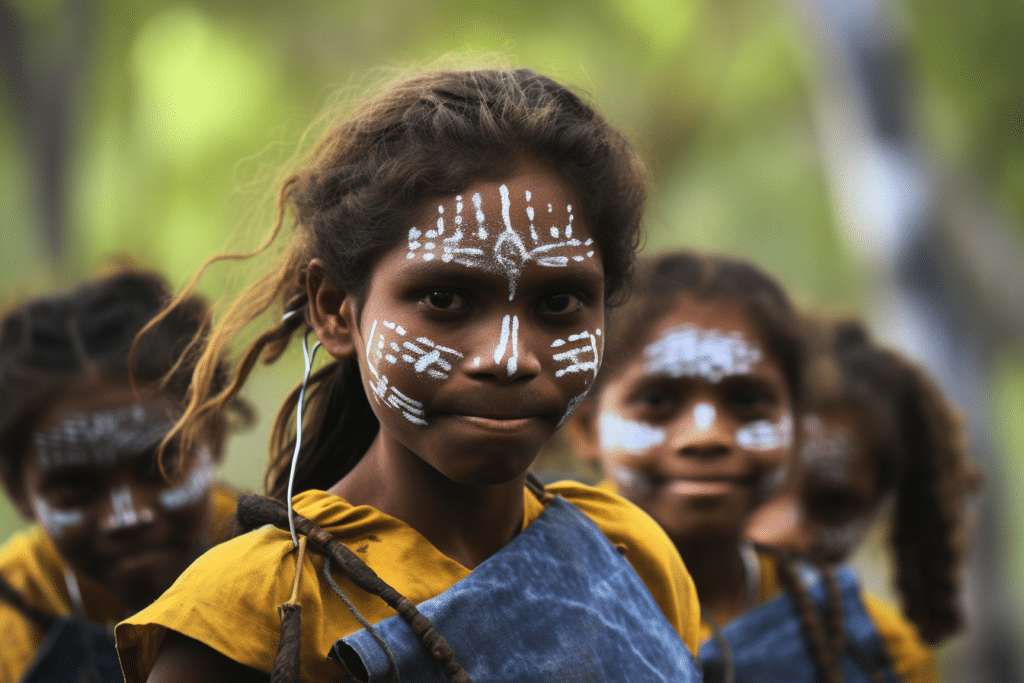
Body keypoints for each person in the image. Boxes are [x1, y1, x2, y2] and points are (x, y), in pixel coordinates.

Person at [115, 67, 703, 683]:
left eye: (558, 304)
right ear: (336, 310)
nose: (508, 357)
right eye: (445, 300)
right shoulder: (255, 614)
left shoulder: (628, 549)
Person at [568, 250, 936, 682]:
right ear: (587, 428)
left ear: (796, 426)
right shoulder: (518, 608)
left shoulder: (872, 647)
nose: (706, 435)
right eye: (657, 401)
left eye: (746, 401)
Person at [0, 269, 249, 683]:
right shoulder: (12, 622)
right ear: (18, 492)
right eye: (76, 486)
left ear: (214, 438)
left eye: (159, 466)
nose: (127, 516)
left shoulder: (281, 565)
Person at [747, 317, 981, 678]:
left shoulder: (887, 657)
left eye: (833, 504)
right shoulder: (643, 592)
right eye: (762, 484)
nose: (780, 531)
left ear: (879, 508)